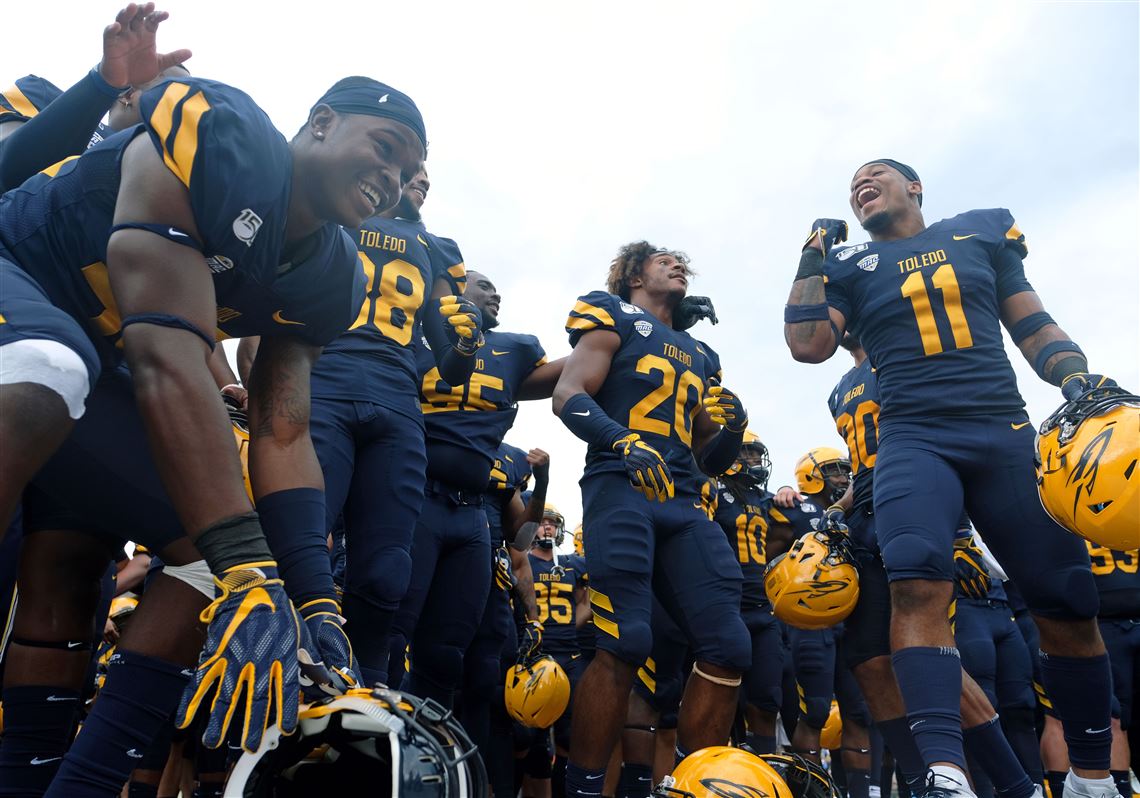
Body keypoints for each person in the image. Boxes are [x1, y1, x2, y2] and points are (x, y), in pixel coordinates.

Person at [0, 73, 425, 797]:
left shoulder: (333, 274)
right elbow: (167, 354)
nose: (392, 177)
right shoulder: (227, 140)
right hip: (27, 293)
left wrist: (313, 600)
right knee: (50, 366)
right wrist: (249, 568)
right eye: (385, 148)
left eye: (408, 170)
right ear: (322, 122)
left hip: (97, 367)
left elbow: (282, 432)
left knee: (198, 564)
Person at [784, 158, 1117, 798]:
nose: (861, 185)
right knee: (916, 582)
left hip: (1001, 428)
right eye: (853, 183)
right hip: (914, 437)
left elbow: (1031, 321)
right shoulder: (847, 265)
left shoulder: (979, 233)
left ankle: (1093, 775)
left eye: (876, 173)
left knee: (1069, 599)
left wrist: (1073, 376)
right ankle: (945, 772)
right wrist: (811, 257)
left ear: (914, 186)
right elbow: (807, 345)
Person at [268, 164, 481, 689]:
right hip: (323, 379)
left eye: (429, 177)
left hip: (397, 400)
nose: (423, 181)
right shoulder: (335, 209)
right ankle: (277, 675)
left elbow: (451, 368)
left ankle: (366, 689)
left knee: (387, 571)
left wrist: (466, 342)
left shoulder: (435, 248)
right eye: (414, 171)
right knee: (299, 540)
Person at [552, 241, 751, 798]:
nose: (677, 265)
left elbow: (711, 456)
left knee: (729, 645)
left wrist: (734, 430)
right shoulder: (611, 314)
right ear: (634, 274)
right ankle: (584, 789)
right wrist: (621, 440)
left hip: (684, 499)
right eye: (664, 260)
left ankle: (694, 785)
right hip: (621, 485)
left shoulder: (701, 353)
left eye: (681, 261)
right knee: (625, 639)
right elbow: (567, 393)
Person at [388, 269, 562, 707]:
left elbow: (520, 541)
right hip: (414, 498)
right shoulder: (410, 342)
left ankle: (428, 740)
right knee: (388, 633)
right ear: (451, 290)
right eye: (484, 285)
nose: (495, 293)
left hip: (472, 517)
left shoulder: (513, 351)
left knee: (450, 656)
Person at [0, 2, 191, 192]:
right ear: (130, 95)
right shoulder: (41, 94)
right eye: (170, 92)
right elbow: (7, 169)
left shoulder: (167, 175)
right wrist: (103, 84)